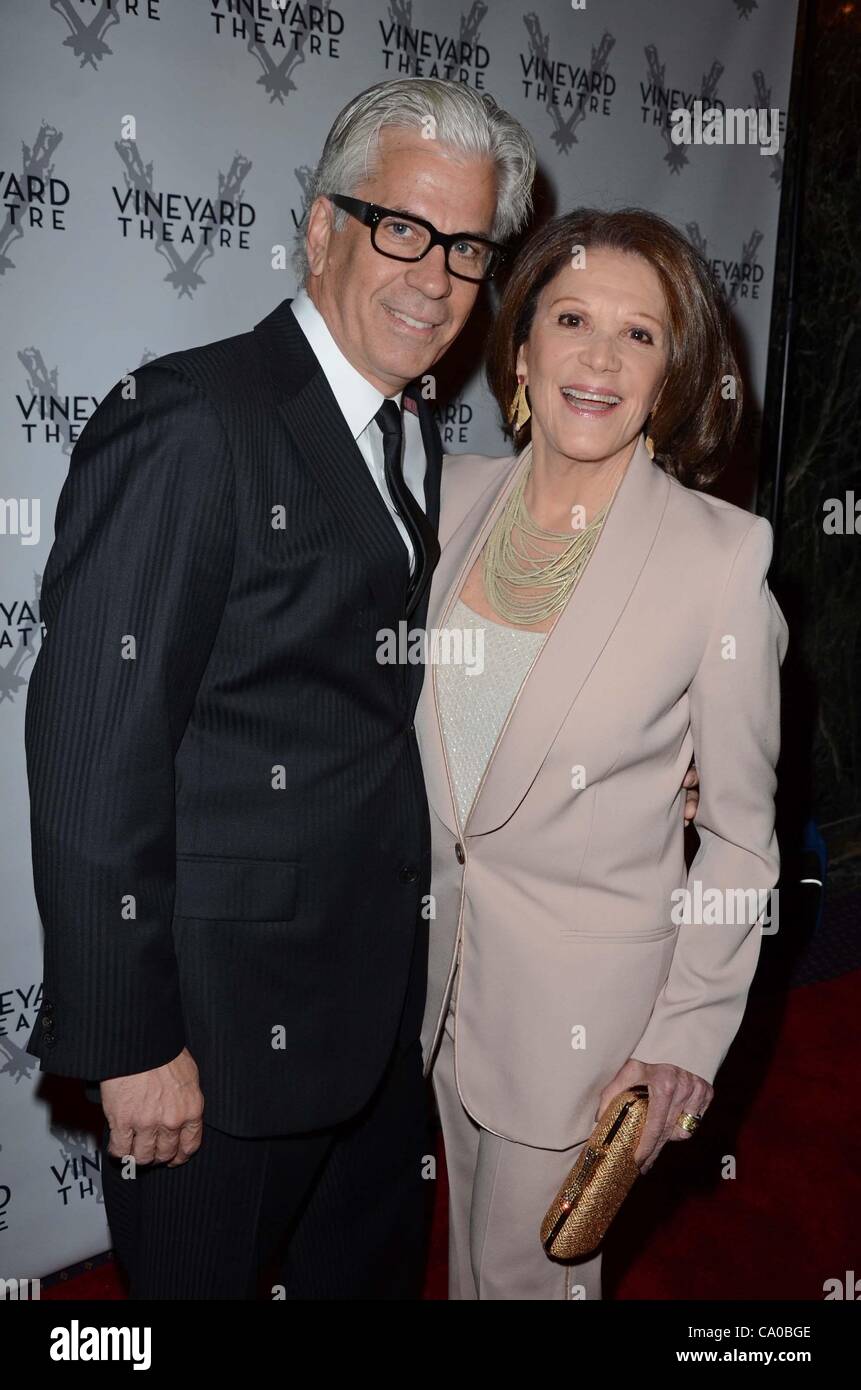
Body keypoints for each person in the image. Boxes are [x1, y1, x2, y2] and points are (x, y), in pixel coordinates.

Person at [23, 77, 536, 1300]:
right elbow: (96, 753)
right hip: (215, 1044)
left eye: (468, 247)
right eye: (400, 228)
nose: (434, 276)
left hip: (371, 1025)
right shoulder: (195, 422)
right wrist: (132, 1043)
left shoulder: (411, 432)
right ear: (320, 229)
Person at [414, 207, 788, 1300]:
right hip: (425, 984)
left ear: (674, 373)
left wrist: (683, 1034)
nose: (599, 357)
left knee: (526, 1286)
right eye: (572, 317)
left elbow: (741, 841)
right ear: (521, 345)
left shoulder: (719, 559)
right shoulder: (445, 502)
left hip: (585, 1023)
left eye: (640, 334)